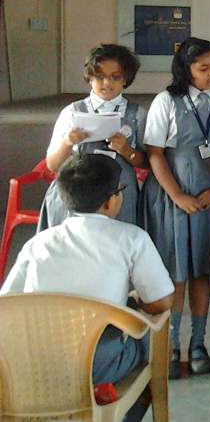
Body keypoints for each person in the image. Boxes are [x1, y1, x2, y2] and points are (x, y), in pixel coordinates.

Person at [2, 154, 174, 422]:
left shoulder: (38, 243)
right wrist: (133, 303)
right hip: (96, 364)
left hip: (32, 364)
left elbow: (8, 303)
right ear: (110, 201)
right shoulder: (131, 238)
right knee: (154, 343)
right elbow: (162, 302)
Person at [142, 37, 210, 380]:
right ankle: (171, 346)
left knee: (201, 273)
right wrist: (178, 196)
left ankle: (198, 343)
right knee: (176, 273)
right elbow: (154, 153)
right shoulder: (167, 101)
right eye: (204, 68)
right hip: (173, 197)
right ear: (186, 69)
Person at [39, 43, 147, 230]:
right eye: (100, 76)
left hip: (118, 191)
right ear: (89, 77)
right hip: (77, 189)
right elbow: (53, 165)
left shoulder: (137, 114)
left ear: (125, 79)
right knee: (72, 244)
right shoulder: (72, 112)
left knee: (117, 245)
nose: (107, 83)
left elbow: (146, 162)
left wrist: (127, 151)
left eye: (115, 77)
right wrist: (68, 142)